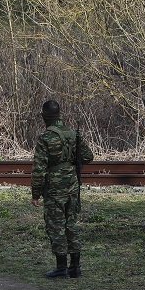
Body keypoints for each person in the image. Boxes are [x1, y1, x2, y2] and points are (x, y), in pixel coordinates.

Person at [30, 100, 94, 279]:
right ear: (59, 114)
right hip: (73, 186)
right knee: (71, 224)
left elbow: (39, 169)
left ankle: (61, 268)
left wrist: (36, 194)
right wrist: (71, 162)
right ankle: (75, 267)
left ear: (45, 116)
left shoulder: (46, 137)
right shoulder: (73, 134)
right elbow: (88, 156)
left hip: (54, 189)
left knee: (56, 226)